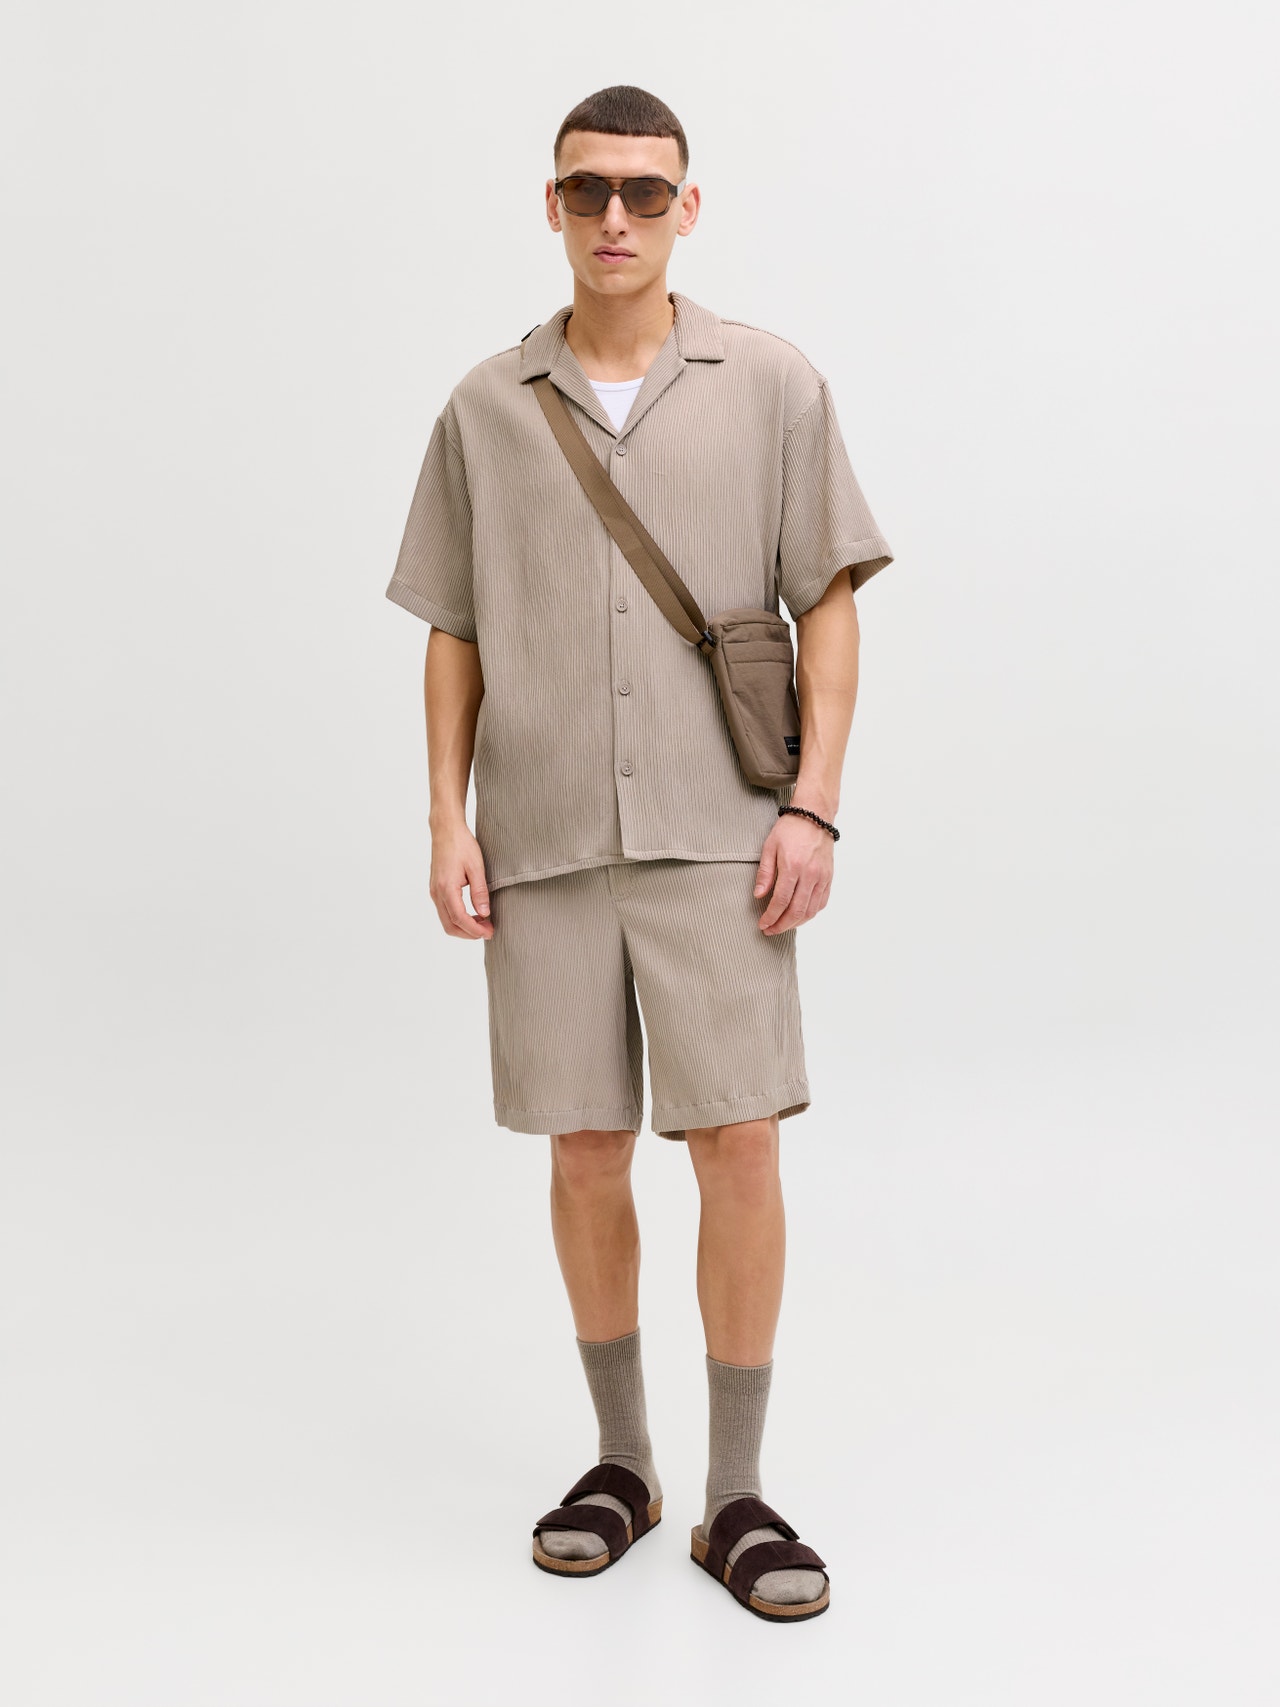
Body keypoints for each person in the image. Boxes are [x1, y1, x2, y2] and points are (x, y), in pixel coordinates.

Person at [385, 84, 894, 1622]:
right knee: (585, 1152)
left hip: (719, 838)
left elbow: (829, 603)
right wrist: (446, 816)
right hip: (544, 841)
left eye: (646, 191)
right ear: (551, 206)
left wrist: (814, 805)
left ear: (688, 207)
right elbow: (455, 626)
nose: (617, 216)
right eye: (589, 189)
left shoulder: (774, 386)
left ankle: (737, 1495)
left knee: (740, 1147)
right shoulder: (486, 406)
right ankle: (624, 1464)